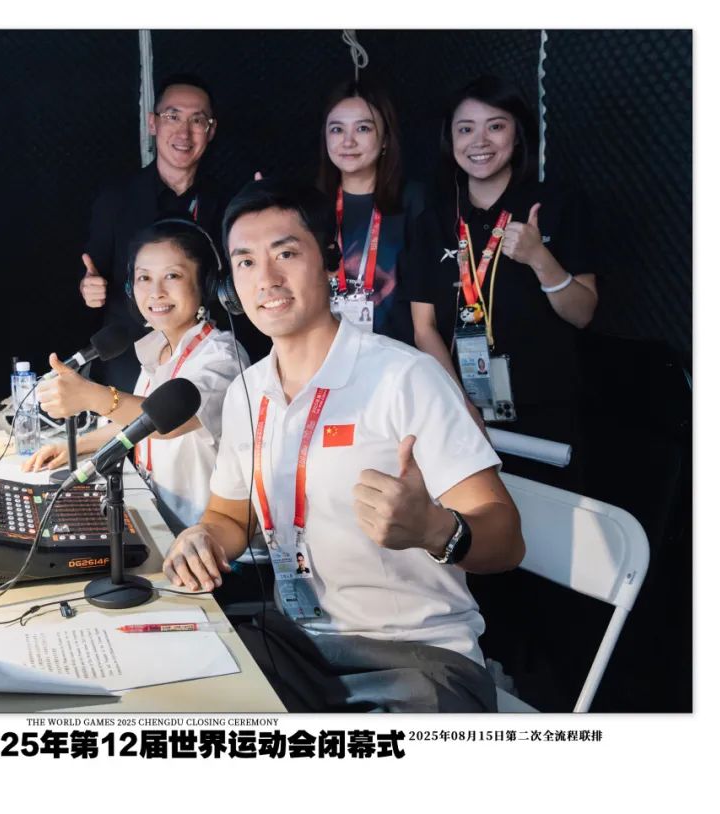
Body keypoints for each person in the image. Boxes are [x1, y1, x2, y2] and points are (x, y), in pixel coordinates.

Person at [162, 178, 524, 712]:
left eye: (286, 253)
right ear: (229, 288)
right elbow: (228, 517)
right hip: (298, 648)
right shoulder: (246, 392)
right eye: (246, 262)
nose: (267, 278)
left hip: (419, 659)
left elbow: (507, 540)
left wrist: (435, 529)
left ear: (330, 263)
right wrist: (203, 539)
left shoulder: (405, 378)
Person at [407, 75, 597, 489]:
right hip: (459, 411)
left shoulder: (558, 205)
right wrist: (459, 405)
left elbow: (583, 313)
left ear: (517, 134)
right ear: (450, 139)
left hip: (545, 411)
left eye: (495, 126)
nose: (479, 141)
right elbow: (424, 328)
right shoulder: (433, 221)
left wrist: (539, 258)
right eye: (465, 129)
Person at [29, 219, 248, 531]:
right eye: (144, 278)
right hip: (159, 523)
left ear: (206, 284)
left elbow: (168, 424)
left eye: (172, 276)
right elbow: (136, 424)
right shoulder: (158, 347)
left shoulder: (222, 357)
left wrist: (91, 396)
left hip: (206, 538)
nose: (156, 292)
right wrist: (75, 446)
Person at [79, 74, 226, 389]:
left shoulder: (228, 202)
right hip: (128, 364)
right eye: (173, 116)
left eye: (197, 120)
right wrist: (87, 289)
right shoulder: (115, 200)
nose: (184, 131)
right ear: (152, 123)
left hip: (204, 361)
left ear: (211, 130)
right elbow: (90, 273)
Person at [316, 79, 424, 344]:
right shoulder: (308, 204)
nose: (348, 141)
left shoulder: (415, 200)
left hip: (397, 357)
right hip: (326, 355)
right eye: (337, 129)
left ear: (385, 139)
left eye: (363, 128)